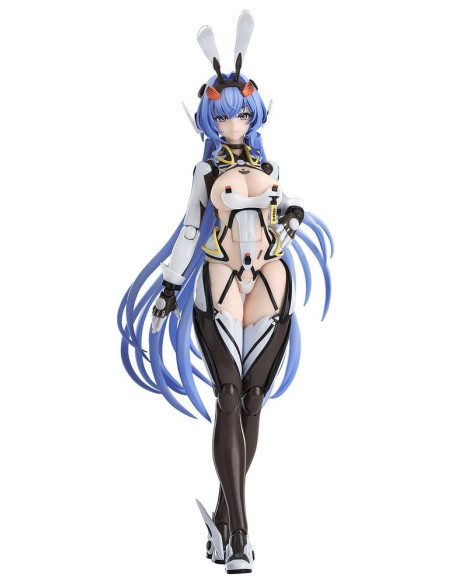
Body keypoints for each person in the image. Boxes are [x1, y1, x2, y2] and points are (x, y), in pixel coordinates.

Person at [118, 11, 333, 575]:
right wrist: (169, 286)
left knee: (254, 401)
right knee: (229, 396)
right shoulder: (204, 171)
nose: (233, 121)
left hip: (271, 281)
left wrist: (292, 216)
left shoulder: (271, 164)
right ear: (210, 119)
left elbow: (282, 211)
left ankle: (221, 514)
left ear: (254, 113)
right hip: (219, 280)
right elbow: (192, 228)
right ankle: (239, 534)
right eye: (223, 114)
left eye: (241, 112)